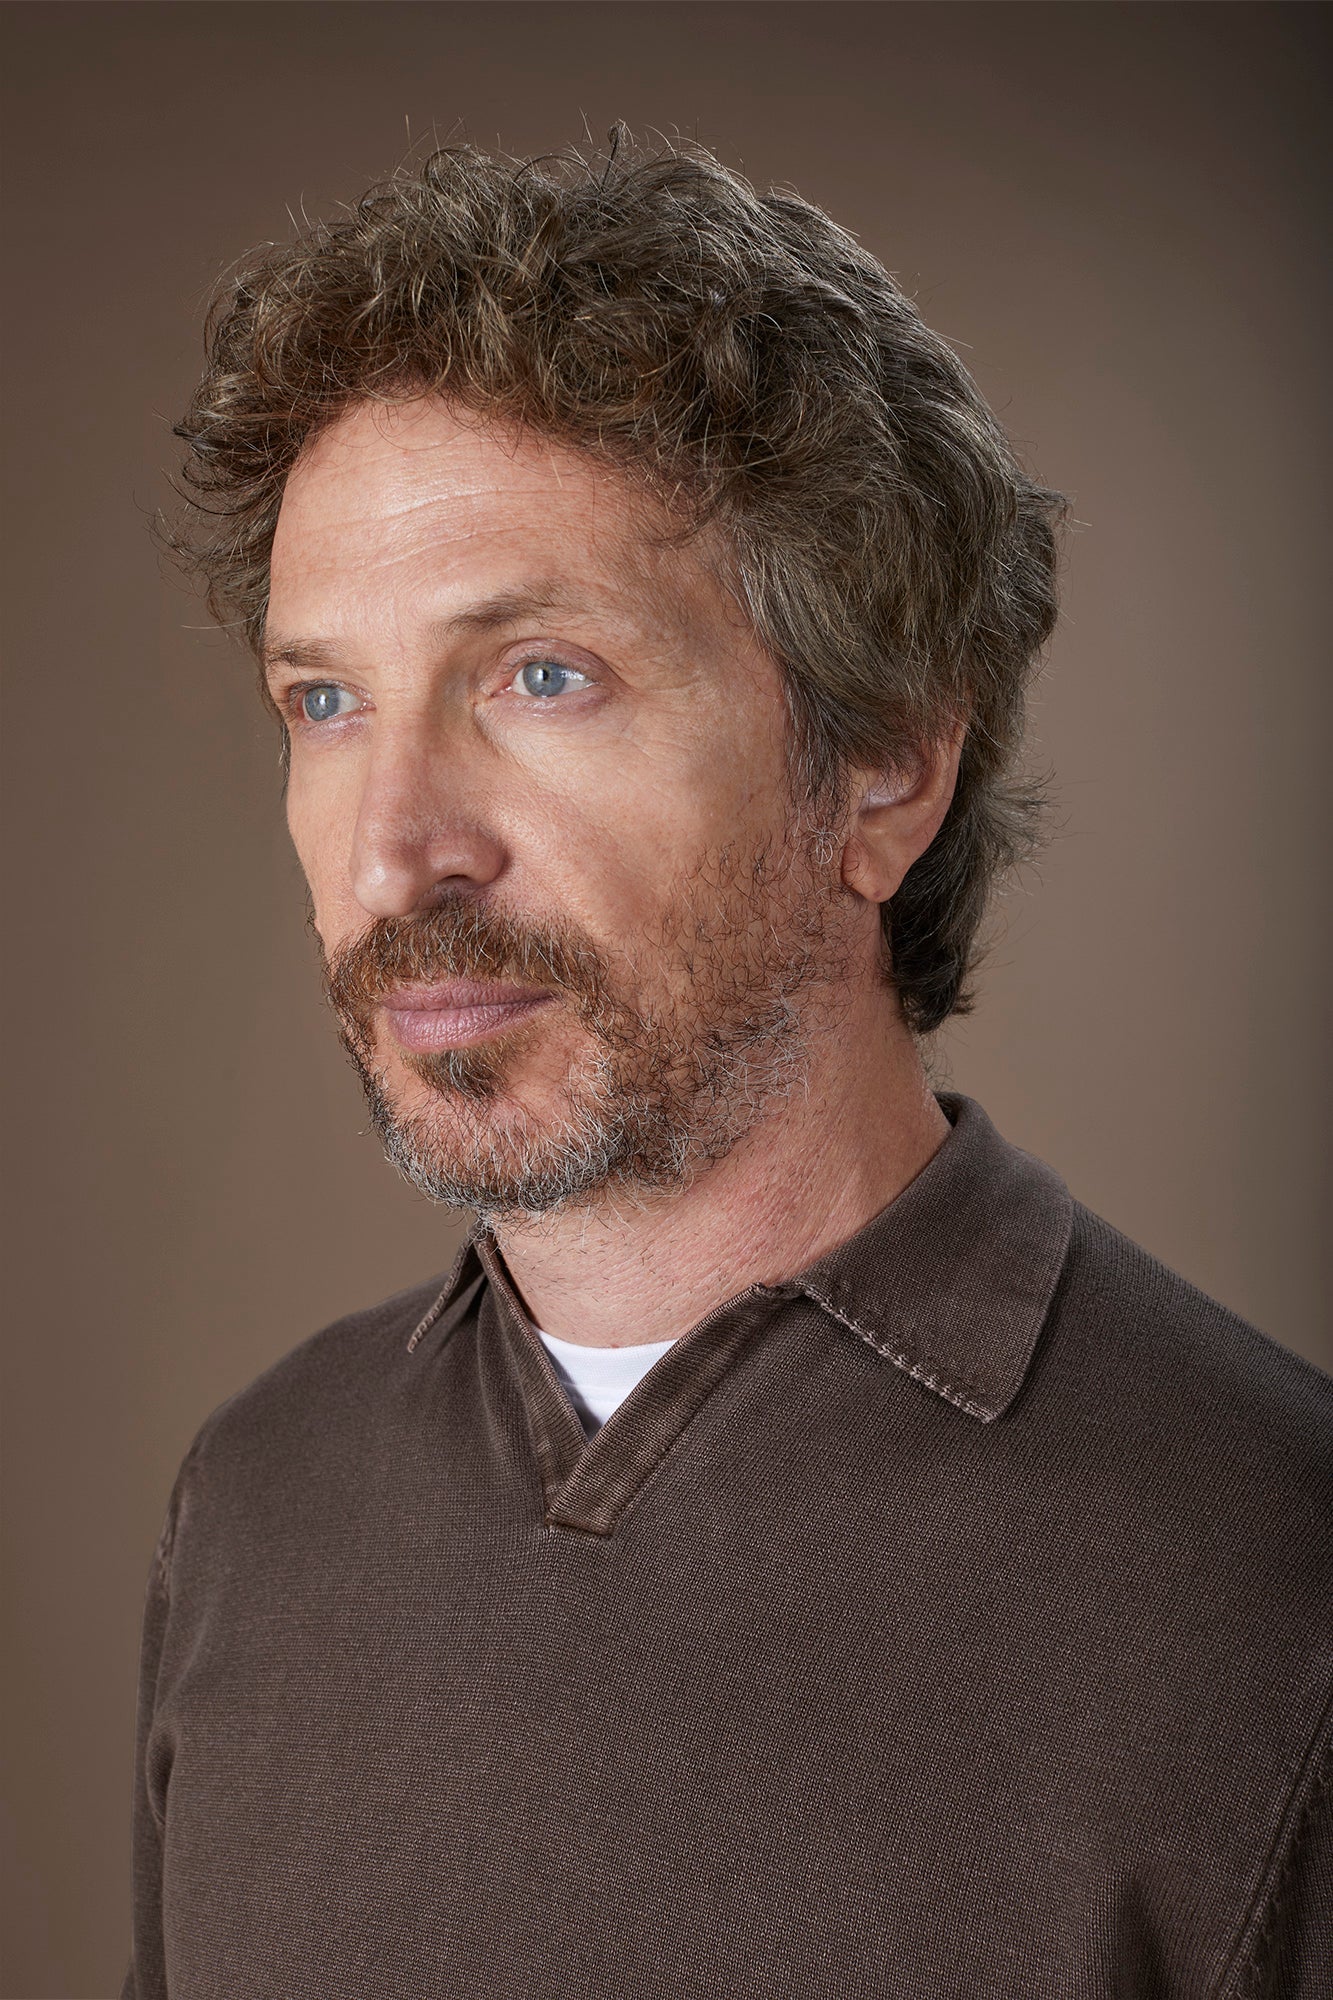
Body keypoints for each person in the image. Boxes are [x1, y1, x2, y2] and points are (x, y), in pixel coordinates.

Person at [122, 134, 1331, 1997]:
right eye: (327, 701)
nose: (393, 851)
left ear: (884, 765)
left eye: (540, 674)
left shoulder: (1272, 1576)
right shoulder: (263, 1499)